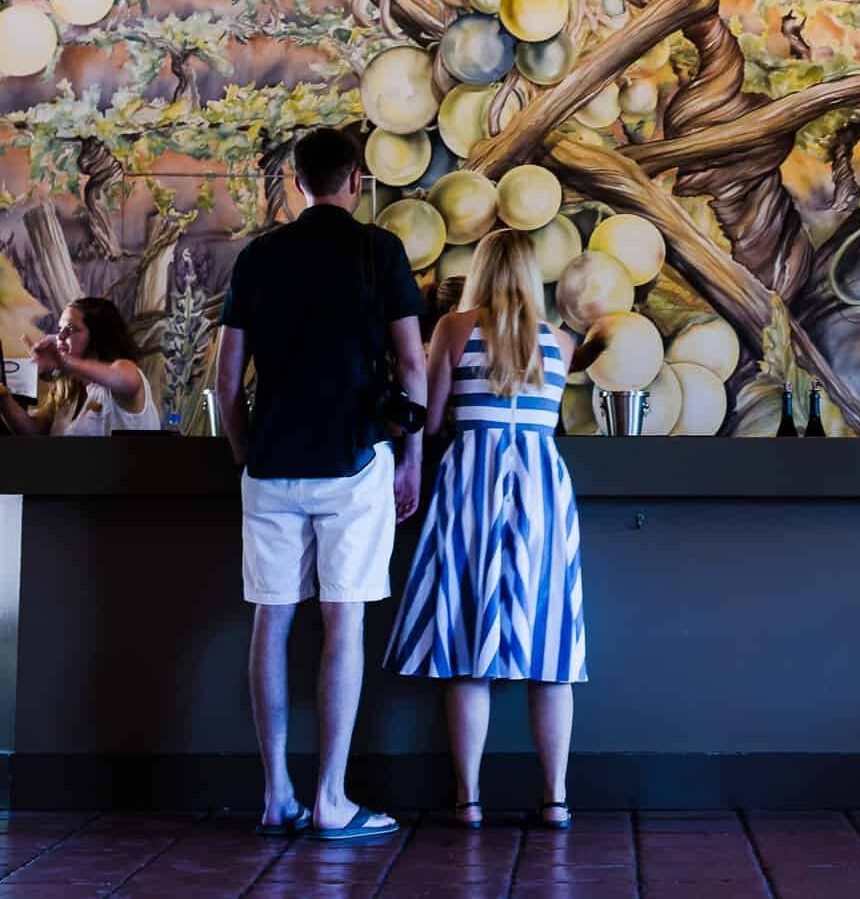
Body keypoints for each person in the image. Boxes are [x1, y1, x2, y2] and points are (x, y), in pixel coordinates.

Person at [216, 126, 427, 844]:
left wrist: (247, 452)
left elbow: (224, 379)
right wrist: (412, 456)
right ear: (356, 181)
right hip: (354, 461)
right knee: (344, 621)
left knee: (270, 620)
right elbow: (411, 364)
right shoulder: (380, 251)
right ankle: (332, 800)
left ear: (296, 182)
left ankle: (277, 796)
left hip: (272, 463)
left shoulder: (258, 255)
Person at [386, 227, 587, 830]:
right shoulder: (561, 341)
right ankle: (556, 800)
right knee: (550, 649)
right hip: (543, 487)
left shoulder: (453, 327)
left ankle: (468, 800)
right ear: (532, 275)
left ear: (480, 270)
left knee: (468, 648)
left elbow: (434, 415)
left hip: (473, 476)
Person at [0, 297, 159, 437]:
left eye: (70, 329)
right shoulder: (68, 386)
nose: (60, 336)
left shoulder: (123, 369)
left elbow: (126, 380)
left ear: (99, 335)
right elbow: (35, 433)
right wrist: (4, 398)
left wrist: (64, 363)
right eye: (60, 329)